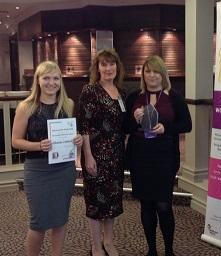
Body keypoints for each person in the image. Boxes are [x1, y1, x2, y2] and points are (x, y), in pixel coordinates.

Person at [11, 61, 83, 256]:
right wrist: (38, 145)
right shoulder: (26, 106)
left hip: (64, 169)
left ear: (60, 81)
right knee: (39, 222)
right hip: (38, 169)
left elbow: (71, 134)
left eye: (56, 78)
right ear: (38, 80)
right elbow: (15, 141)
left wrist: (77, 140)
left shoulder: (68, 104)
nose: (51, 82)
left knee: (60, 219)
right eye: (46, 78)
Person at [125, 55, 192, 256]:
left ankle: (169, 251)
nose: (152, 75)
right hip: (140, 157)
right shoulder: (133, 97)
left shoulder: (174, 97)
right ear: (143, 75)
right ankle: (152, 250)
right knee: (146, 205)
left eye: (155, 71)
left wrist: (166, 128)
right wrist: (134, 120)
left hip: (164, 157)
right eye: (148, 71)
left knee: (163, 205)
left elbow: (186, 125)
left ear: (162, 74)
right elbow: (124, 127)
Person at [78, 49, 126, 256]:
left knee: (113, 200)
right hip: (96, 155)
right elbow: (85, 126)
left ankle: (109, 241)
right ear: (97, 69)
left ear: (117, 66)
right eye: (104, 65)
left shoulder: (121, 92)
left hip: (116, 155)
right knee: (96, 202)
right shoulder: (90, 91)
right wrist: (88, 156)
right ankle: (96, 245)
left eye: (112, 64)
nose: (108, 68)